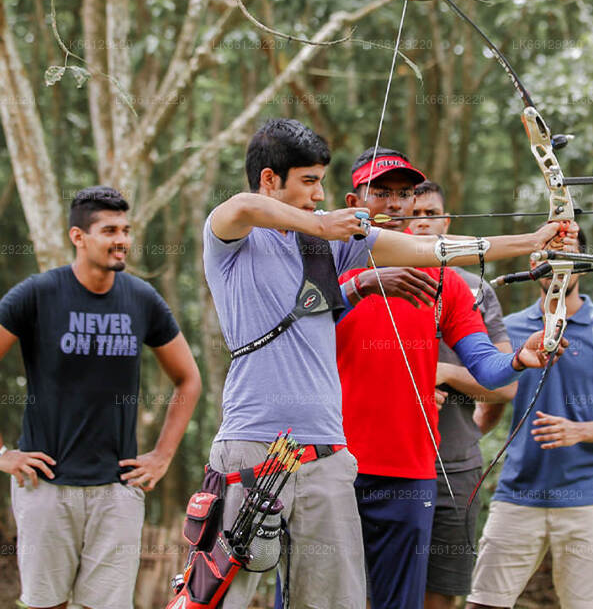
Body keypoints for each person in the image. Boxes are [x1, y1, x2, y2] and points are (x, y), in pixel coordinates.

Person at [202, 119, 570, 609]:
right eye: (308, 181)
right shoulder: (234, 238)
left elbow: (430, 249)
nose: (318, 195)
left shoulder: (334, 244)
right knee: (221, 594)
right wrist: (323, 227)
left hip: (326, 452)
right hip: (253, 442)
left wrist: (533, 240)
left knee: (332, 601)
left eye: (320, 182)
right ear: (270, 179)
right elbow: (240, 207)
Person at [0, 186, 203, 609]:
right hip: (45, 487)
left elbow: (188, 378)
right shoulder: (38, 294)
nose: (122, 240)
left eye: (125, 230)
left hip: (117, 491)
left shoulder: (141, 299)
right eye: (109, 231)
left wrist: (162, 456)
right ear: (78, 237)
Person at [335, 153, 548, 609]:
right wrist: (360, 284)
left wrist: (518, 360)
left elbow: (486, 365)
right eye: (381, 192)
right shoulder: (332, 266)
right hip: (332, 465)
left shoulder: (445, 282)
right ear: (354, 202)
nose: (395, 203)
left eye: (404, 194)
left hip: (410, 472)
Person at [467, 228, 593, 609]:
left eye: (566, 255)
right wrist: (454, 443)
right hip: (517, 494)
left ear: (583, 263)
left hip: (586, 499)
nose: (556, 265)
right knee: (484, 602)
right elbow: (492, 406)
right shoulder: (511, 329)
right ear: (533, 262)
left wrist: (580, 431)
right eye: (547, 255)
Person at [407, 180, 518, 609]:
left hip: (453, 465)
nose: (421, 222)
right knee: (376, 587)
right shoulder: (372, 280)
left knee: (441, 591)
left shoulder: (473, 288)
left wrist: (446, 373)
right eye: (412, 214)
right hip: (386, 465)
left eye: (430, 214)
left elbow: (504, 385)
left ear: (447, 222)